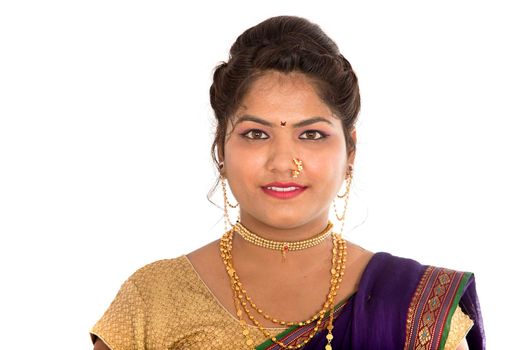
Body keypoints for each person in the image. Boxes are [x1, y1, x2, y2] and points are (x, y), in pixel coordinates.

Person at [90, 16, 485, 350]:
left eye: (311, 135)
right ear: (220, 151)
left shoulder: (416, 307)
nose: (283, 163)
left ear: (350, 153)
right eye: (255, 134)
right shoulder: (152, 301)